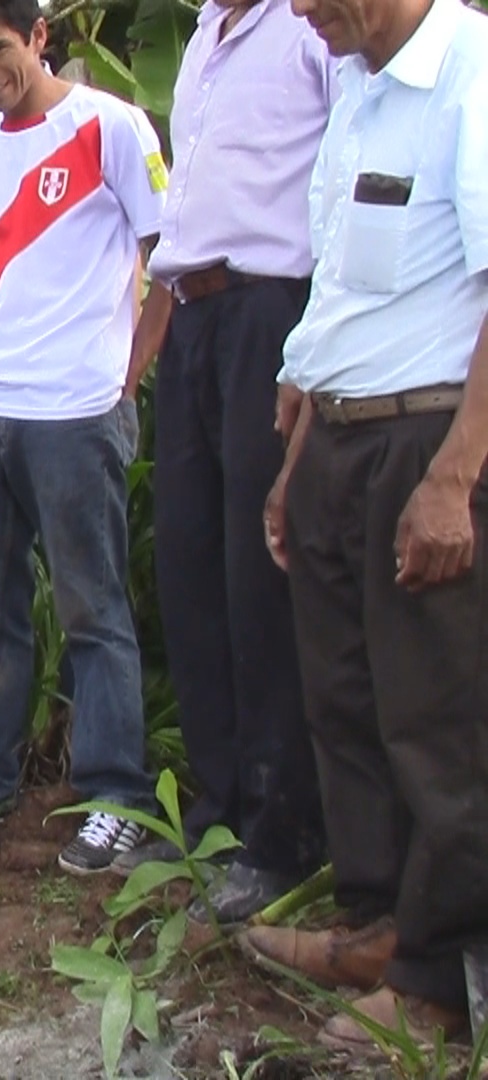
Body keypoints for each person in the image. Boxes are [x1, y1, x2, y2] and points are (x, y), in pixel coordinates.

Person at [242, 0, 488, 1047]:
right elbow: (344, 283)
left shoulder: (470, 78)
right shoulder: (353, 83)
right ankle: (378, 924)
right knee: (345, 700)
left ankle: (438, 983)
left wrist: (456, 474)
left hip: (428, 435)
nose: (300, 10)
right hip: (340, 432)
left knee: (437, 726)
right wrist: (298, 461)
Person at [0, 0, 165, 874]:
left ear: (36, 37)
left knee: (92, 611)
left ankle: (116, 796)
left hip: (75, 412)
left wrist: (124, 378)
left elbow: (165, 256)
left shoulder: (111, 127)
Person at [110, 0, 334, 921]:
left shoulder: (311, 28)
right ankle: (222, 803)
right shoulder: (203, 33)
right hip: (194, 314)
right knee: (191, 562)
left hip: (271, 311)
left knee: (258, 572)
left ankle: (284, 833)